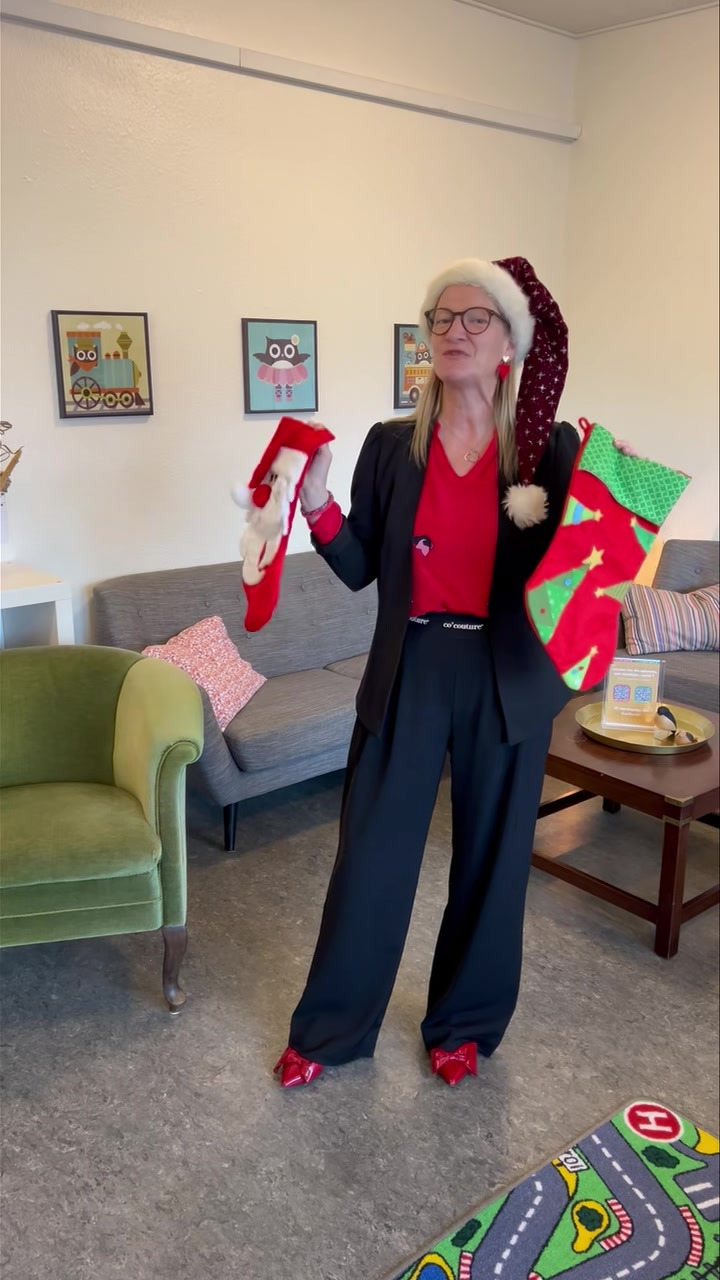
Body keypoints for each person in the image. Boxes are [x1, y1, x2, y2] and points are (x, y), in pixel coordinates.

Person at [273, 257, 627, 1089]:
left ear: (509, 342)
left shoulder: (549, 449)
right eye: (442, 317)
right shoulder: (391, 445)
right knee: (371, 856)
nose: (454, 331)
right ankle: (330, 1030)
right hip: (412, 665)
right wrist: (317, 501)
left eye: (476, 318)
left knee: (493, 862)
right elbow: (360, 566)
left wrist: (614, 491)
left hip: (507, 674)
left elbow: (584, 564)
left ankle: (463, 1025)